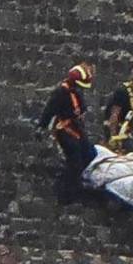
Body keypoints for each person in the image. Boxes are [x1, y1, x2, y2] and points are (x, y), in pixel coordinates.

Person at [37, 63, 96, 203]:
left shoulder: (76, 92)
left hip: (76, 127)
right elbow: (49, 110)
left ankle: (78, 181)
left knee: (89, 153)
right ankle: (66, 193)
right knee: (75, 159)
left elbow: (81, 108)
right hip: (65, 129)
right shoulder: (61, 93)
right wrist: (41, 126)